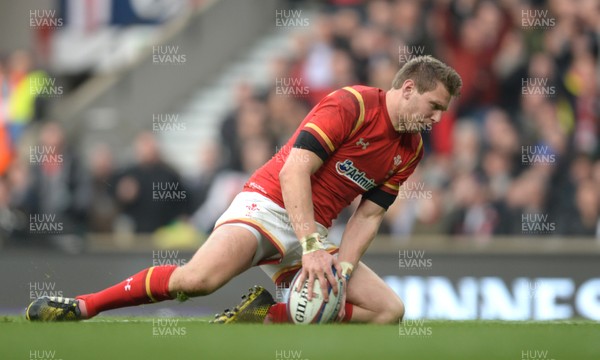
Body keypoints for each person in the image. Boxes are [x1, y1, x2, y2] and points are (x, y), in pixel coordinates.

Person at [25, 56, 461, 324]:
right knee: (196, 281)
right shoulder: (352, 104)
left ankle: (263, 317)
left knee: (389, 311)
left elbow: (369, 214)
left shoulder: (411, 149)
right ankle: (84, 306)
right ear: (408, 89)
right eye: (434, 106)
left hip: (312, 234)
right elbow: (294, 171)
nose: (437, 118)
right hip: (268, 206)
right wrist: (311, 245)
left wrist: (341, 273)